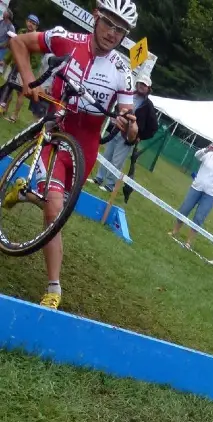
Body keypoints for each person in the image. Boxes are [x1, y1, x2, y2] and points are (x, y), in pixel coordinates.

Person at [9, 0, 139, 309]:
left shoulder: (123, 70)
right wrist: (28, 79)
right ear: (96, 17)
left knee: (56, 211)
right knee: (54, 210)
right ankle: (54, 287)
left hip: (85, 149)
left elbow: (130, 126)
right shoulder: (65, 38)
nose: (112, 33)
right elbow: (18, 42)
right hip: (55, 134)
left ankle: (24, 192)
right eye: (108, 23)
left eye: (120, 30)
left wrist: (129, 127)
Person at [93, 71, 157, 191]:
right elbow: (118, 108)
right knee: (107, 155)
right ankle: (99, 178)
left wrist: (140, 136)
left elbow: (153, 127)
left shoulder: (148, 105)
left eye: (144, 85)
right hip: (115, 130)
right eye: (140, 83)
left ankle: (109, 185)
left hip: (128, 136)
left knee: (117, 161)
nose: (141, 86)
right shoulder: (129, 95)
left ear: (148, 88)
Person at [170, 139, 213, 249]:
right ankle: (174, 231)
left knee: (199, 217)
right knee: (184, 209)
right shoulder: (209, 154)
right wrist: (207, 149)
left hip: (210, 194)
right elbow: (197, 156)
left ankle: (188, 242)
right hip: (197, 187)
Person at [0, 13, 40, 122]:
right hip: (13, 65)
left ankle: (15, 115)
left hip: (24, 71)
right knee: (8, 87)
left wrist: (25, 68)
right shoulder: (21, 32)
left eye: (33, 24)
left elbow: (36, 61)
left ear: (36, 27)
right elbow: (13, 48)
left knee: (20, 93)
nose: (30, 25)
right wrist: (5, 60)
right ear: (26, 21)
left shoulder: (36, 39)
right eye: (29, 22)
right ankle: (4, 109)